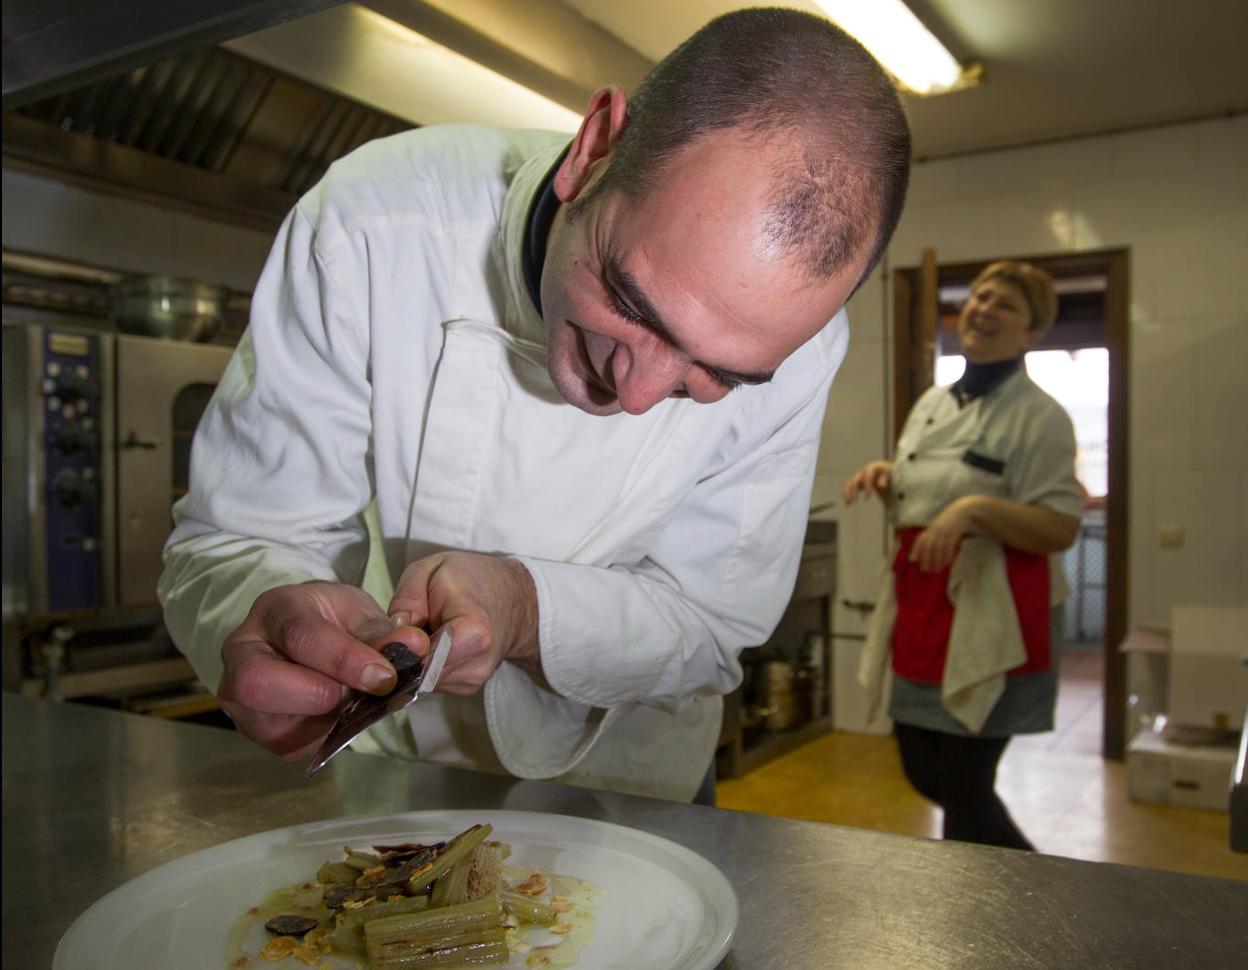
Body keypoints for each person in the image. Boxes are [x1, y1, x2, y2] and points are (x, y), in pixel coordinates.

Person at [158, 8, 911, 804]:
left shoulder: (804, 347)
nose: (638, 394)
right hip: (384, 774)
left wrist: (524, 608)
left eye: (721, 374)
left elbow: (713, 623)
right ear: (593, 152)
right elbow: (243, 534)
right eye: (632, 302)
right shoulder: (373, 226)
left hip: (634, 786)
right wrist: (266, 621)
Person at [844, 260, 1081, 848]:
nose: (984, 309)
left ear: (1032, 334)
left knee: (963, 781)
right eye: (979, 297)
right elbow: (927, 489)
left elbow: (1058, 527)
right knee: (925, 766)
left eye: (1005, 304)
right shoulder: (931, 403)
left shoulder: (1040, 416)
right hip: (923, 605)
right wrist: (889, 477)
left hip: (991, 615)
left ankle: (1008, 898)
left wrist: (973, 511)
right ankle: (1019, 886)